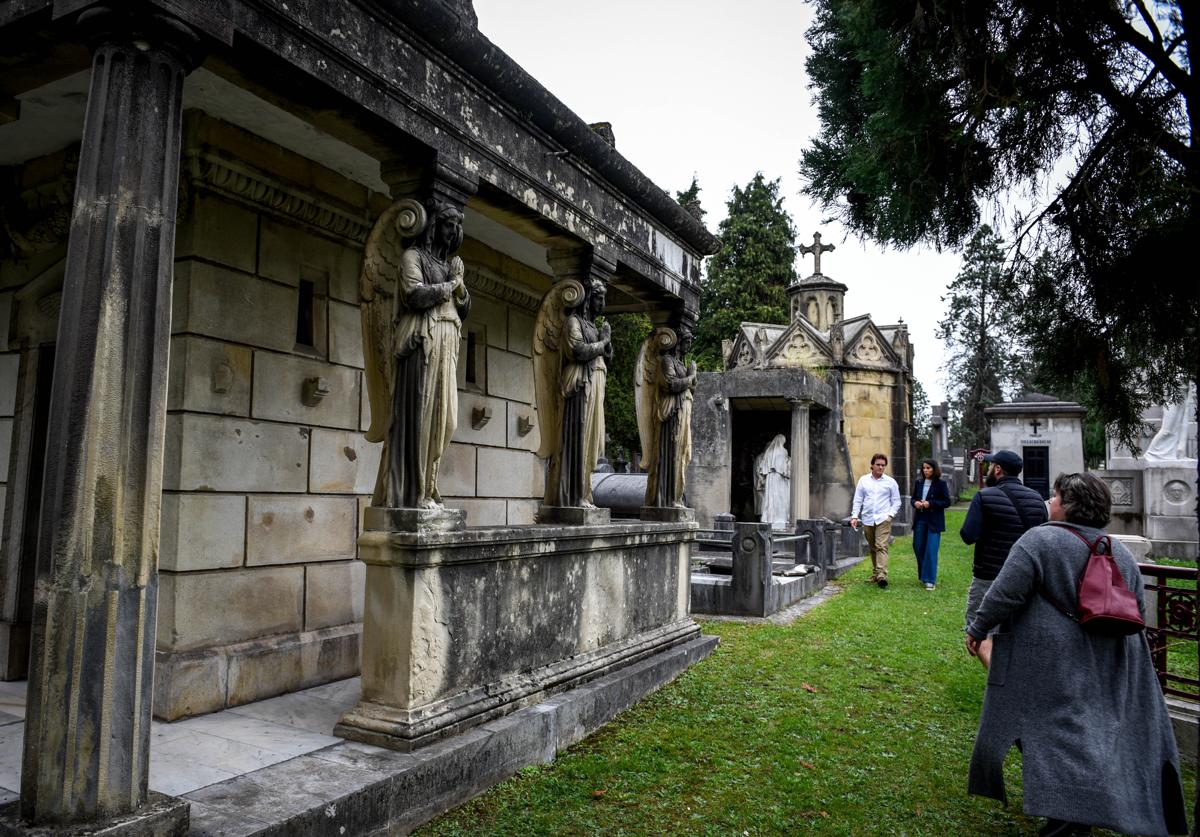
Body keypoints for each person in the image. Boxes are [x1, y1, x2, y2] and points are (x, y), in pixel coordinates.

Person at [965, 473, 1188, 837]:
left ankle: (1069, 816)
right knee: (1080, 735)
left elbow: (1004, 594)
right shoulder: (1120, 553)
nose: (1050, 503)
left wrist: (977, 629)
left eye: (1054, 497)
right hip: (1106, 666)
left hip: (1049, 662)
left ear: (1067, 504)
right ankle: (1076, 808)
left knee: (1052, 735)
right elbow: (1137, 616)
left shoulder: (1038, 541)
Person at [960, 450, 1047, 662]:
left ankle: (1001, 686)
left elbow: (968, 535)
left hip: (989, 575)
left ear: (998, 469)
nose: (989, 469)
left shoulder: (984, 496)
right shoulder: (1037, 500)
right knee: (1017, 631)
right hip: (1026, 578)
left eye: (991, 466)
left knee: (979, 633)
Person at [850, 453, 901, 588]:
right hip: (867, 518)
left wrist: (890, 515)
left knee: (881, 545)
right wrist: (855, 516)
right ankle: (875, 573)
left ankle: (881, 575)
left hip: (883, 519)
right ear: (872, 465)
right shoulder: (863, 480)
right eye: (878, 465)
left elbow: (896, 501)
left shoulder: (890, 482)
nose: (880, 467)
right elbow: (858, 499)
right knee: (873, 547)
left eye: (883, 465)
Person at [911, 458, 951, 590]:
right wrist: (915, 503)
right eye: (924, 468)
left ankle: (930, 580)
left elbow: (946, 502)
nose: (926, 470)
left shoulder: (941, 484)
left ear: (934, 469)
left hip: (934, 520)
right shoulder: (919, 482)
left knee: (931, 549)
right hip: (920, 518)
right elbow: (913, 499)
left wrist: (931, 503)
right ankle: (925, 574)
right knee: (918, 546)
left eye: (928, 468)